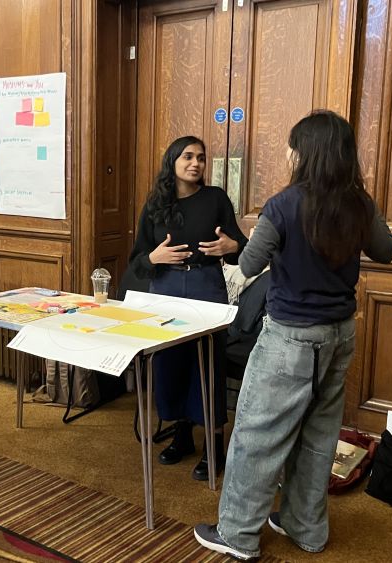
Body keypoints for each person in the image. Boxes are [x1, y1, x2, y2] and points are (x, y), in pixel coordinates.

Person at [194, 110, 392, 560]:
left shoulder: (284, 204)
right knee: (319, 434)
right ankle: (306, 527)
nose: (288, 152)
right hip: (339, 336)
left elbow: (247, 267)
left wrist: (255, 240)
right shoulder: (359, 203)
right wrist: (366, 209)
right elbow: (387, 250)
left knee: (257, 434)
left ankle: (238, 535)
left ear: (305, 152)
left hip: (288, 338)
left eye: (292, 145)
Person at [127, 135, 247, 481]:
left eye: (201, 158)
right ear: (173, 162)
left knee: (206, 364)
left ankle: (214, 446)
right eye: (188, 157)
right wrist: (154, 257)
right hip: (163, 288)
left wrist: (230, 246)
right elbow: (137, 260)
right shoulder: (156, 203)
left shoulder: (215, 199)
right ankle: (182, 436)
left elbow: (241, 246)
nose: (196, 163)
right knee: (171, 364)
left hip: (205, 285)